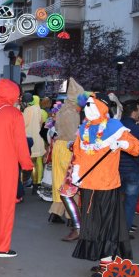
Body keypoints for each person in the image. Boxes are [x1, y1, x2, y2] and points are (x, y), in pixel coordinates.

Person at [71, 94, 139, 277]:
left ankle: (108, 265)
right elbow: (78, 153)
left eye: (92, 104)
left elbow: (137, 147)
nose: (88, 108)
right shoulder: (84, 128)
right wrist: (76, 173)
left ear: (102, 107)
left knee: (107, 227)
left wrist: (123, 142)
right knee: (93, 225)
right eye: (87, 104)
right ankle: (103, 260)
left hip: (107, 186)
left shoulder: (114, 127)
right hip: (87, 185)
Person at [0, 79, 33, 258]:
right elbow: (20, 144)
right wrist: (27, 165)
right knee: (5, 206)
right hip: (5, 164)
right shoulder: (14, 114)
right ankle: (1, 247)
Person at [50, 78, 84, 240]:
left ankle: (55, 213)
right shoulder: (72, 113)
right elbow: (73, 135)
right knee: (71, 182)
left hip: (59, 147)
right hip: (68, 148)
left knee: (60, 181)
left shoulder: (63, 109)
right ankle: (72, 217)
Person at [119, 100, 139, 238]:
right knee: (130, 202)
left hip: (115, 170)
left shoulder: (115, 126)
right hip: (133, 170)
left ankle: (115, 227)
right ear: (134, 111)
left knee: (117, 201)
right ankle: (124, 230)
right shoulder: (138, 129)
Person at [22, 93, 46, 194]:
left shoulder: (27, 110)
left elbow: (23, 124)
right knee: (37, 162)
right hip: (39, 139)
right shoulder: (39, 110)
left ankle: (25, 183)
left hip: (29, 139)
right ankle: (37, 185)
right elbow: (41, 122)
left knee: (30, 163)